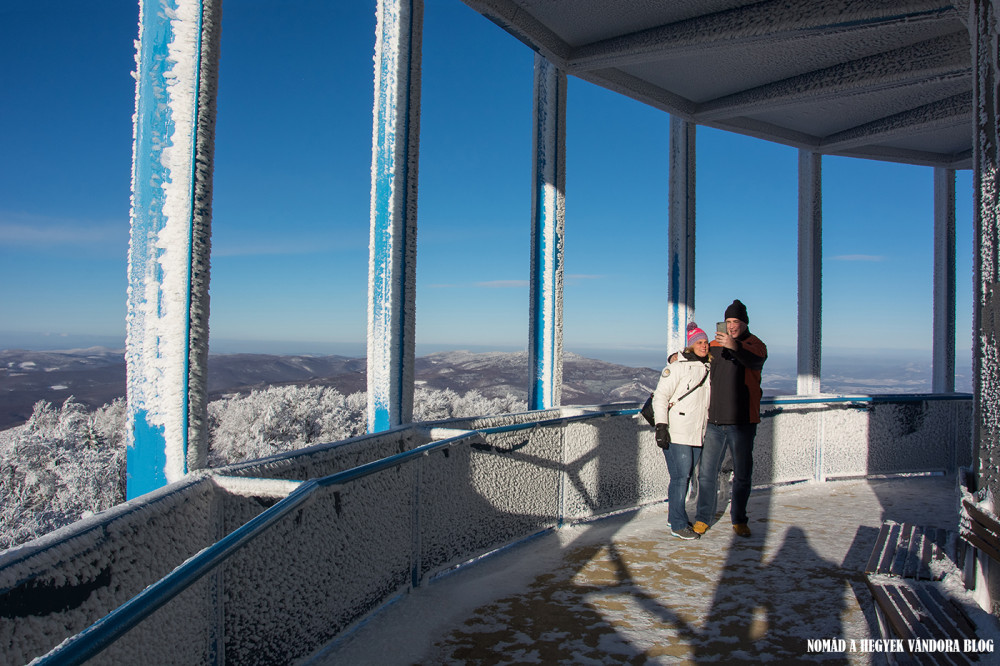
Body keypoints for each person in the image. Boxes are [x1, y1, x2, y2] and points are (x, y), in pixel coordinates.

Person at [693, 299, 767, 538]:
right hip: (715, 420)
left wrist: (735, 346)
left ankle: (739, 519)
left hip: (743, 421)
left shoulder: (755, 345)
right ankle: (703, 517)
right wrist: (677, 357)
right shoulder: (715, 345)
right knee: (706, 472)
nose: (732, 326)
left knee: (743, 472)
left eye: (736, 321)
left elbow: (755, 361)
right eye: (728, 321)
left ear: (744, 323)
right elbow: (697, 360)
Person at [652, 322, 712, 540]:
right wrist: (661, 426)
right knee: (680, 477)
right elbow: (661, 397)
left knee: (684, 478)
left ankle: (674, 516)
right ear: (690, 346)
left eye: (706, 342)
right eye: (699, 342)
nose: (703, 346)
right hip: (677, 431)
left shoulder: (707, 367)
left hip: (697, 431)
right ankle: (678, 524)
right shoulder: (677, 367)